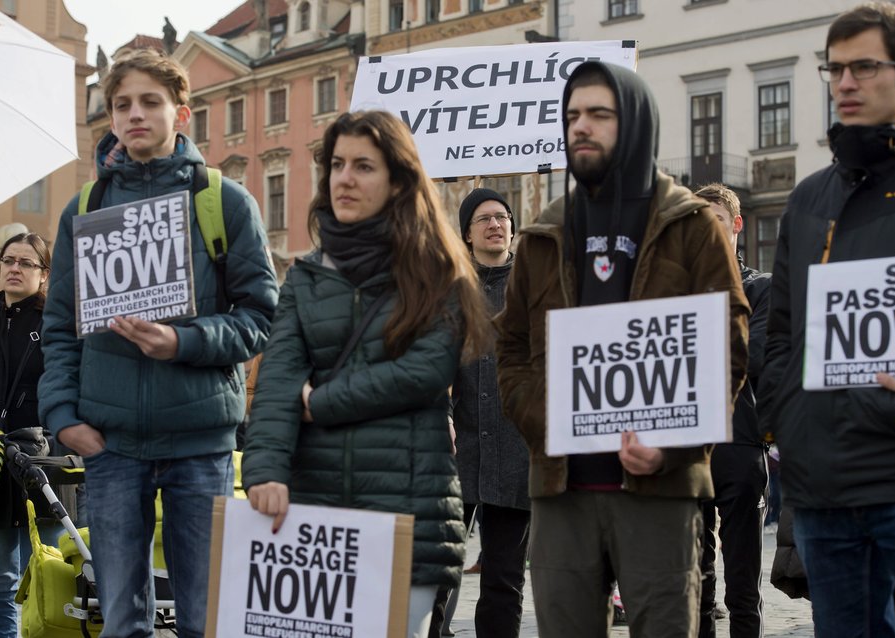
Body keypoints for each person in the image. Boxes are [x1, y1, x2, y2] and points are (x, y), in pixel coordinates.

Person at [495, 60, 749, 637]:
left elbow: (726, 348)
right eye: (571, 116)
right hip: (561, 489)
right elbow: (509, 347)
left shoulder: (691, 226)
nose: (580, 127)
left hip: (658, 489)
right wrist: (543, 419)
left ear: (633, 122)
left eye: (598, 115)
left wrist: (672, 446)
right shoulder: (542, 233)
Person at [39, 49, 278, 638]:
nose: (135, 114)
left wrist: (184, 342)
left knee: (204, 617)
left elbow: (262, 318)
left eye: (150, 102)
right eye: (123, 105)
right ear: (112, 118)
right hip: (110, 445)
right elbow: (61, 326)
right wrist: (63, 415)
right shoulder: (84, 209)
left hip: (201, 443)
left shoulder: (224, 202)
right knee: (121, 620)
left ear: (182, 114)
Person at [241, 110, 492, 638]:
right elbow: (279, 380)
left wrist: (324, 401)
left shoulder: (438, 268)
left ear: (398, 179)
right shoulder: (306, 276)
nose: (344, 179)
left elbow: (425, 371)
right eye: (336, 165)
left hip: (409, 508)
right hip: (315, 508)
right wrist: (264, 470)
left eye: (363, 166)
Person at [759, 3, 895, 636]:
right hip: (820, 487)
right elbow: (780, 332)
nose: (845, 83)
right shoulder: (810, 197)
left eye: (864, 67)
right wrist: (787, 419)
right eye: (835, 69)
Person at [448, 188, 530, 638]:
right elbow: (431, 361)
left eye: (502, 216)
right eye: (483, 218)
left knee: (504, 579)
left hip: (517, 451)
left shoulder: (534, 287)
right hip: (456, 449)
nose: (495, 224)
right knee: (438, 572)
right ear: (467, 233)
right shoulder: (450, 289)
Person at [693, 183, 770, 638]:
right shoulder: (676, 291)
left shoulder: (761, 287)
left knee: (743, 579)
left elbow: (755, 355)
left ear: (736, 225)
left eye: (716, 221)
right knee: (695, 577)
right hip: (686, 447)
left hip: (741, 440)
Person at [0, 233, 51, 637]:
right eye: (9, 260)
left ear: (43, 275)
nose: (14, 268)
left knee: (51, 573)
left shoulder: (58, 324)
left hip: (43, 460)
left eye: (26, 263)